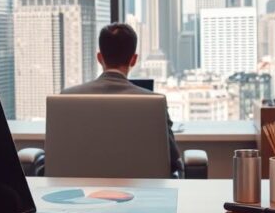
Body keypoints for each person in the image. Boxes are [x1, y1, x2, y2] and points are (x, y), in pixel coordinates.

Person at [61, 23, 184, 178]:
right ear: (133, 60)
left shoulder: (67, 97)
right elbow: (173, 160)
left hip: (77, 196)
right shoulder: (154, 103)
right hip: (143, 198)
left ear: (100, 58)